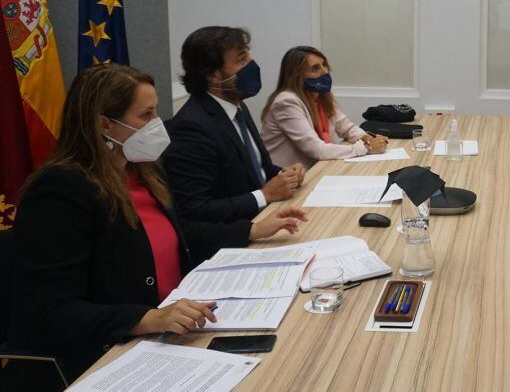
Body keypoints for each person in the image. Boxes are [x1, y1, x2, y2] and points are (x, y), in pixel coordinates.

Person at [6, 64, 307, 386]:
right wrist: (146, 318)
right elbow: (47, 313)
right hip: (110, 352)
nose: (157, 125)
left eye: (156, 112)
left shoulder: (144, 172)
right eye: (145, 115)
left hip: (176, 328)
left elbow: (179, 236)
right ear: (105, 124)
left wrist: (250, 230)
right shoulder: (61, 191)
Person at [164, 26, 305, 223]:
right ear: (212, 74)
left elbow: (255, 171)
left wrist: (285, 174)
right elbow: (195, 209)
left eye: (248, 56)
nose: (251, 64)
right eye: (241, 60)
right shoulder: (191, 127)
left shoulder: (237, 107)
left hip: (267, 218)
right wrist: (264, 196)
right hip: (234, 239)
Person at [260, 46, 389, 168]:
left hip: (315, 170)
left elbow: (347, 128)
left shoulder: (320, 97)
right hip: (287, 180)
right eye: (315, 68)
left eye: (324, 65)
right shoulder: (286, 102)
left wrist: (367, 138)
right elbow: (316, 149)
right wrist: (366, 148)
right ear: (297, 76)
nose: (325, 71)